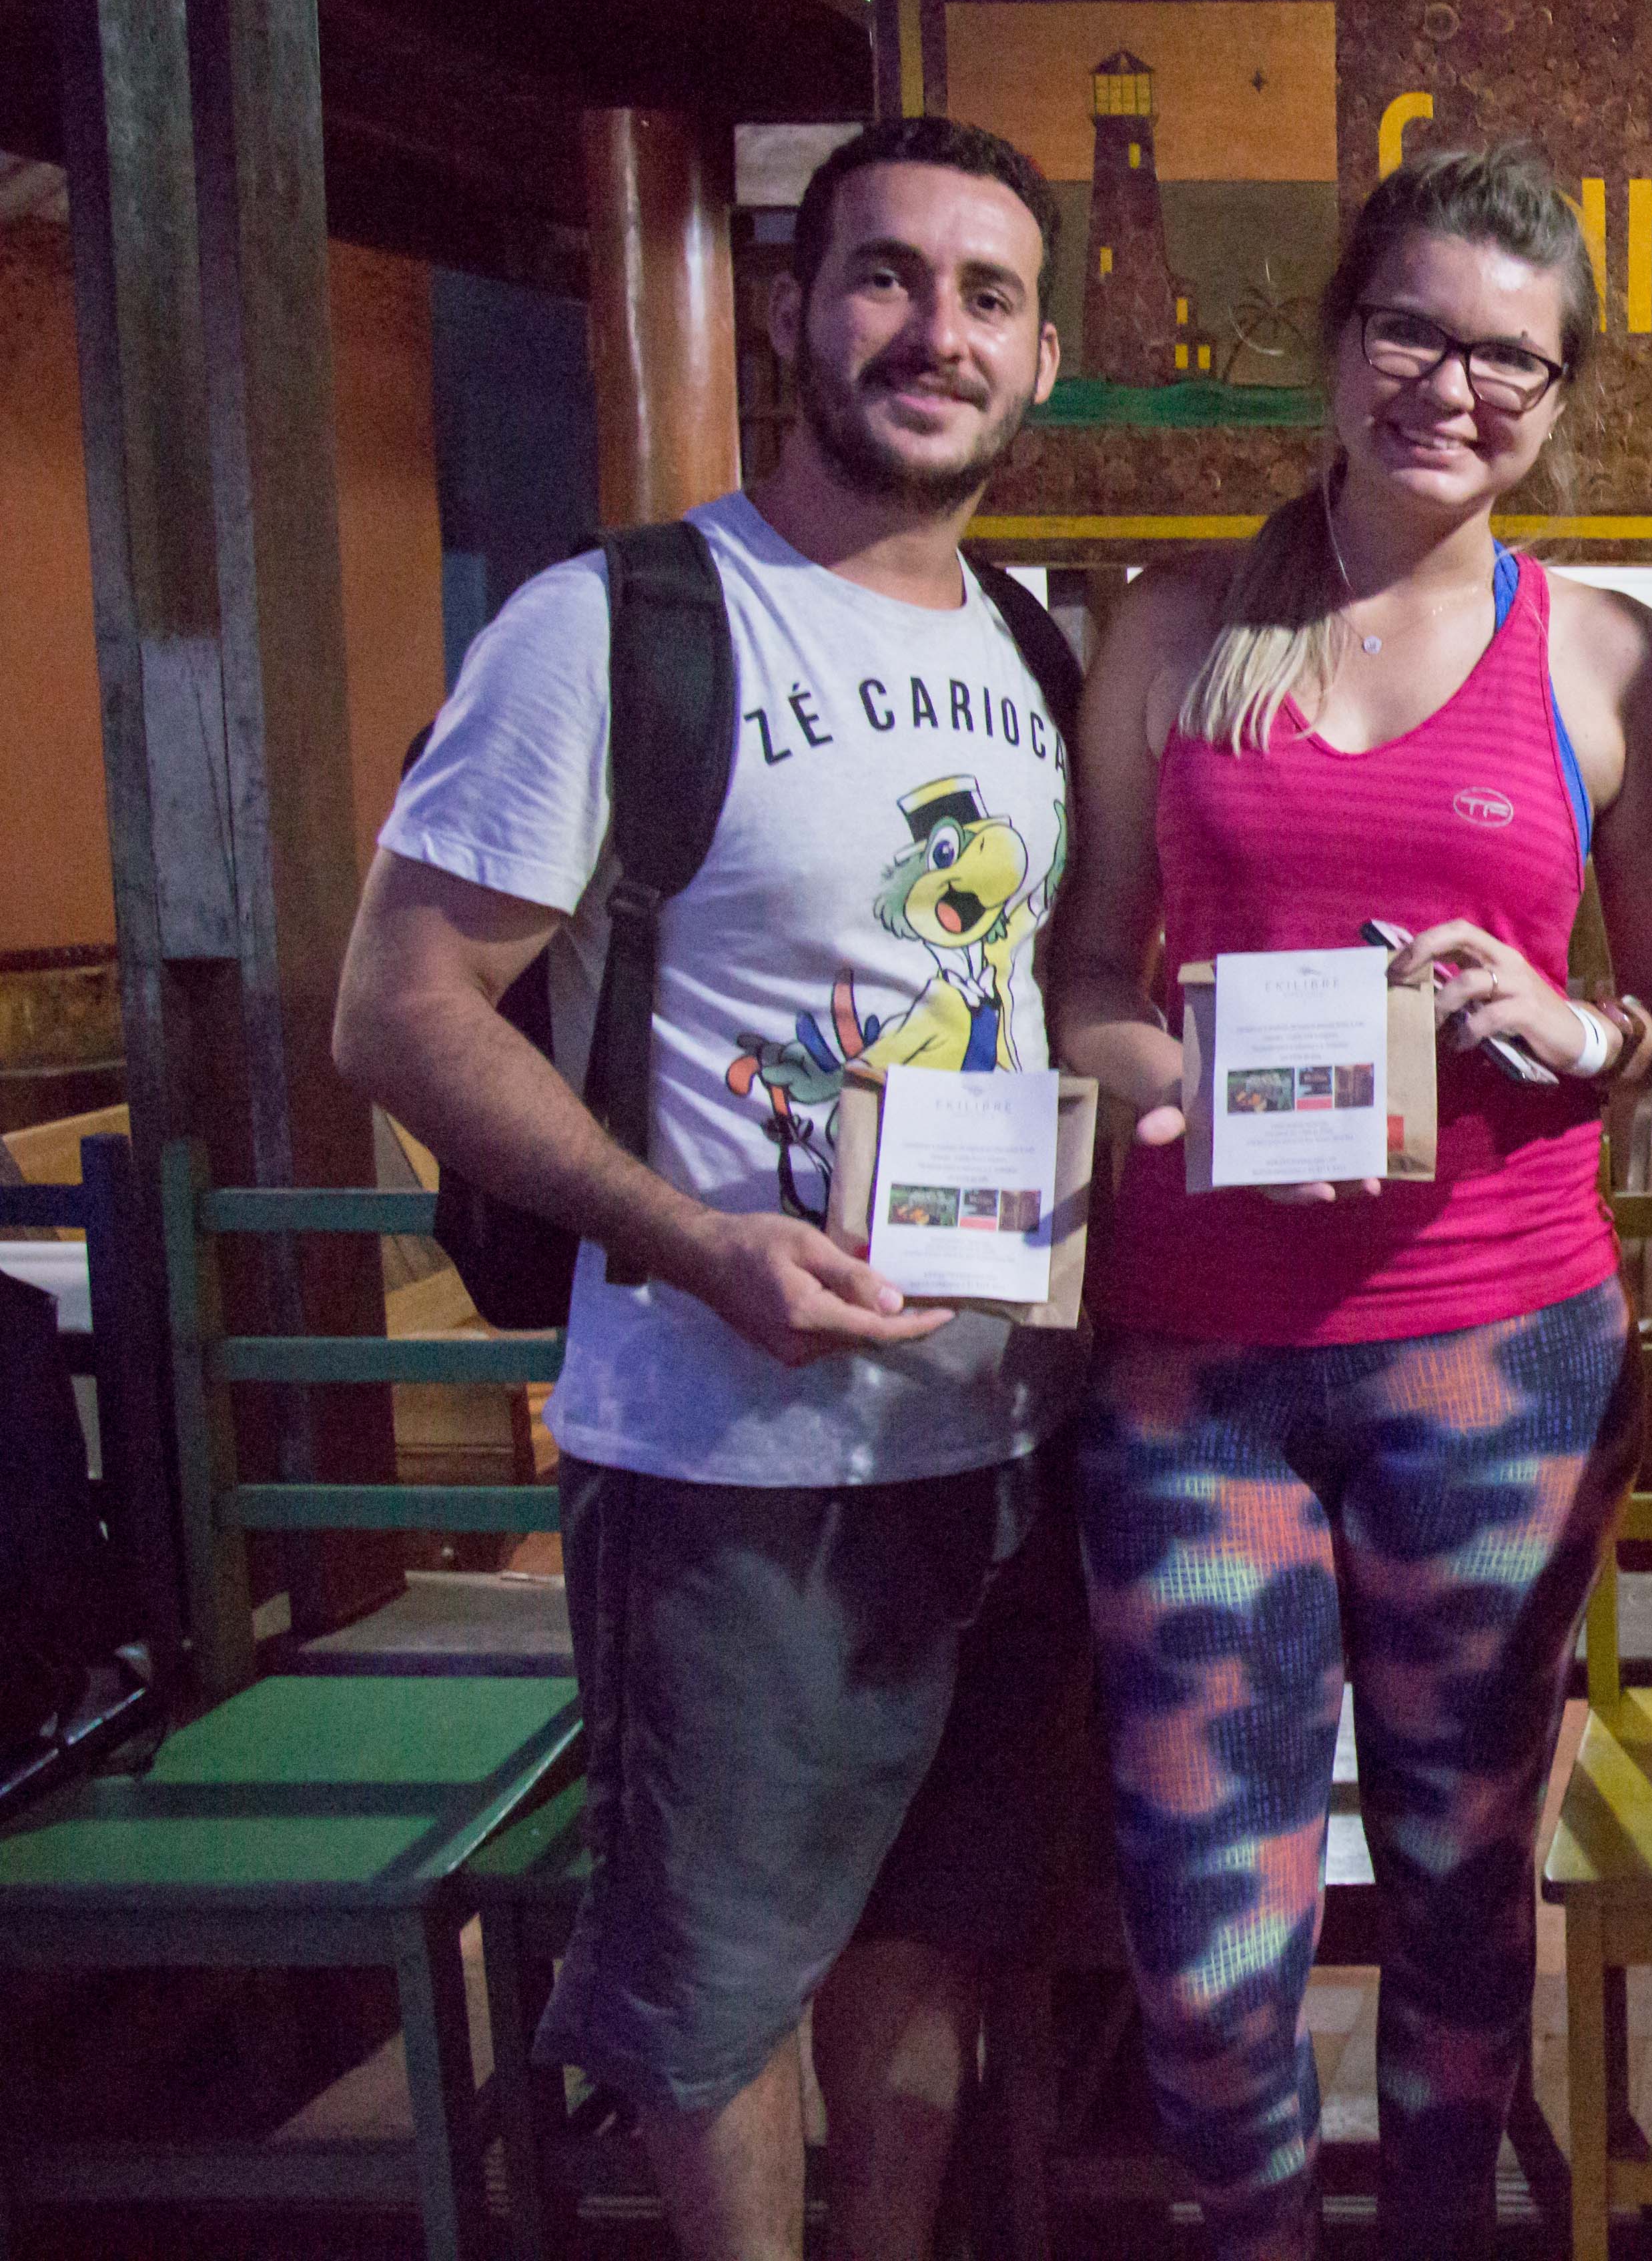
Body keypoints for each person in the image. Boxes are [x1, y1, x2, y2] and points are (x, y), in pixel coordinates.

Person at [333, 115, 1089, 2261]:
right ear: (790, 310)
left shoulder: (1035, 655)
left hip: (989, 1441)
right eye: (885, 277)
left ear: (1041, 361)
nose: (935, 333)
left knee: (928, 1936)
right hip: (720, 1455)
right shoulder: (617, 625)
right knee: (715, 1983)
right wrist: (689, 1241)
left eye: (989, 296)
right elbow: (398, 1009)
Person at [1051, 143, 1652, 2259]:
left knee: (1460, 1880)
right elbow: (1083, 978)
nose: (1456, 386)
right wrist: (1180, 1083)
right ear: (1337, 346)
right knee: (1205, 1927)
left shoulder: (1611, 658)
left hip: (1499, 1362)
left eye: (1512, 357)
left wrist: (1581, 1023)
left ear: (1561, 395)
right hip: (1197, 1366)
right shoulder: (1176, 627)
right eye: (1414, 332)